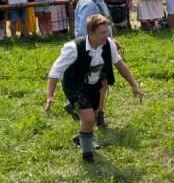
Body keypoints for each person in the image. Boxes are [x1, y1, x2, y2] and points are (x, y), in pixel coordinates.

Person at [44, 14, 143, 164]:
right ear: (91, 32)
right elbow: (55, 72)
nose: (107, 36)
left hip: (94, 84)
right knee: (89, 118)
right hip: (75, 86)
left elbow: (119, 64)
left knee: (92, 117)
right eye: (102, 33)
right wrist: (50, 96)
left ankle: (81, 133)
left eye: (107, 32)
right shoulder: (73, 48)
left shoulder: (108, 44)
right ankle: (87, 155)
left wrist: (134, 85)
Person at [74, 0, 113, 126]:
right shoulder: (89, 3)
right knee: (98, 83)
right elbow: (83, 31)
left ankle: (96, 113)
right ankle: (93, 114)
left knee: (100, 83)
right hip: (93, 50)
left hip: (100, 46)